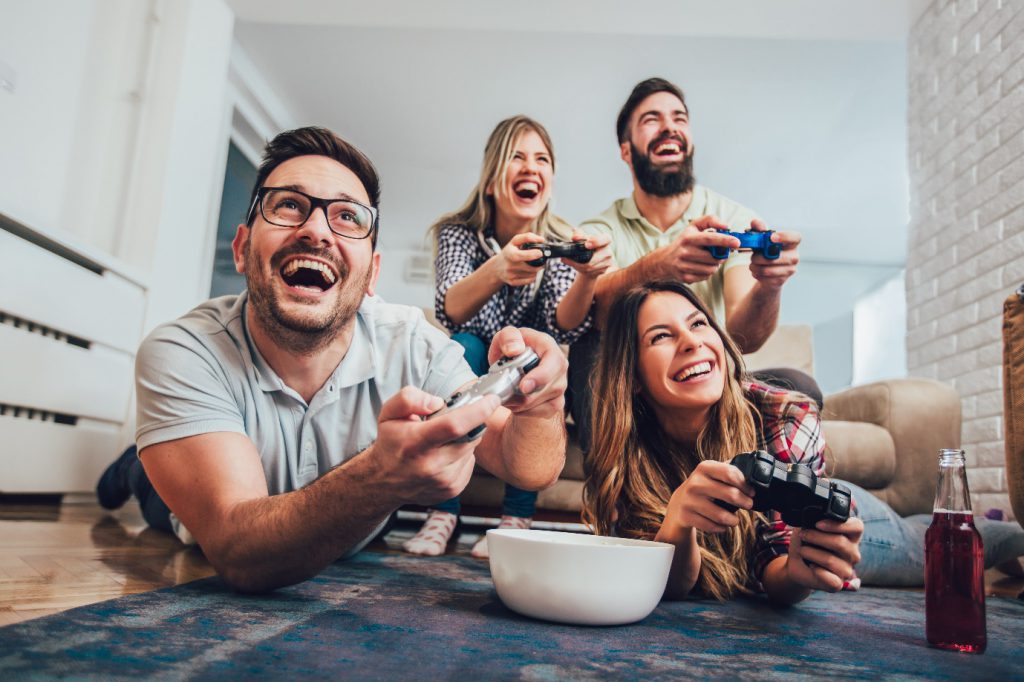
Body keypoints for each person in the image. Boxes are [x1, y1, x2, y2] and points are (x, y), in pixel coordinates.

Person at [95, 126, 570, 593]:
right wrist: (382, 477)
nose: (316, 231)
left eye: (347, 217)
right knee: (154, 495)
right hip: (187, 507)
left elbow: (526, 465)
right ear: (242, 249)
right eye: (288, 205)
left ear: (372, 275)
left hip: (349, 529)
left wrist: (544, 407)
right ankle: (135, 464)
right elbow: (239, 553)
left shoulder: (414, 344)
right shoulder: (182, 352)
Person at [582, 280, 1024, 602]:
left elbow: (779, 565)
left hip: (838, 518)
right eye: (661, 336)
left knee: (928, 549)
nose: (691, 343)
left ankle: (1014, 535)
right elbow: (672, 586)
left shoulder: (782, 414)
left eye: (698, 324)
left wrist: (797, 570)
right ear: (633, 377)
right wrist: (677, 521)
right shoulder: (624, 453)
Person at [402, 115, 613, 558]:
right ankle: (443, 509)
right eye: (517, 156)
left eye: (542, 159)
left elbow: (564, 325)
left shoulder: (558, 241)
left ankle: (517, 516)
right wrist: (498, 269)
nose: (530, 167)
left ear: (549, 183)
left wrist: (588, 279)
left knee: (539, 355)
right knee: (465, 346)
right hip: (472, 367)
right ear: (493, 177)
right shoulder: (458, 233)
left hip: (526, 372)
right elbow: (451, 307)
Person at [570, 77, 816, 453]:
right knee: (589, 348)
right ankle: (621, 498)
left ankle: (772, 507)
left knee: (801, 388)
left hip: (708, 387)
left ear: (690, 141)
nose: (670, 126)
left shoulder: (732, 217)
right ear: (626, 150)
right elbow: (592, 317)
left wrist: (769, 287)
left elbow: (743, 336)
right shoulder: (600, 230)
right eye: (651, 119)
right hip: (634, 394)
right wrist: (659, 267)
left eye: (679, 118)